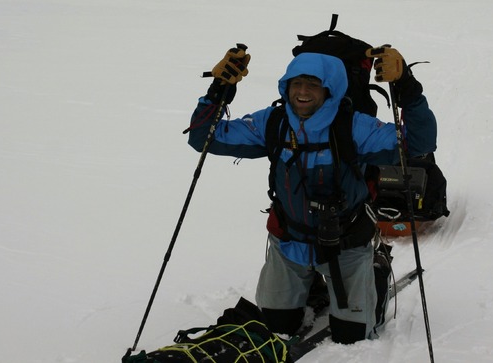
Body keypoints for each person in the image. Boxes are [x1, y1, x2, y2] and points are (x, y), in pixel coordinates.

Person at [187, 45, 437, 344]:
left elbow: (418, 144)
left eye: (313, 84)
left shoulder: (354, 126)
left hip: (346, 244)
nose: (302, 92)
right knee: (276, 325)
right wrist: (219, 90)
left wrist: (406, 86)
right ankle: (314, 287)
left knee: (353, 335)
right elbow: (205, 137)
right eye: (296, 84)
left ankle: (376, 272)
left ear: (329, 90)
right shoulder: (274, 123)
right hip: (290, 240)